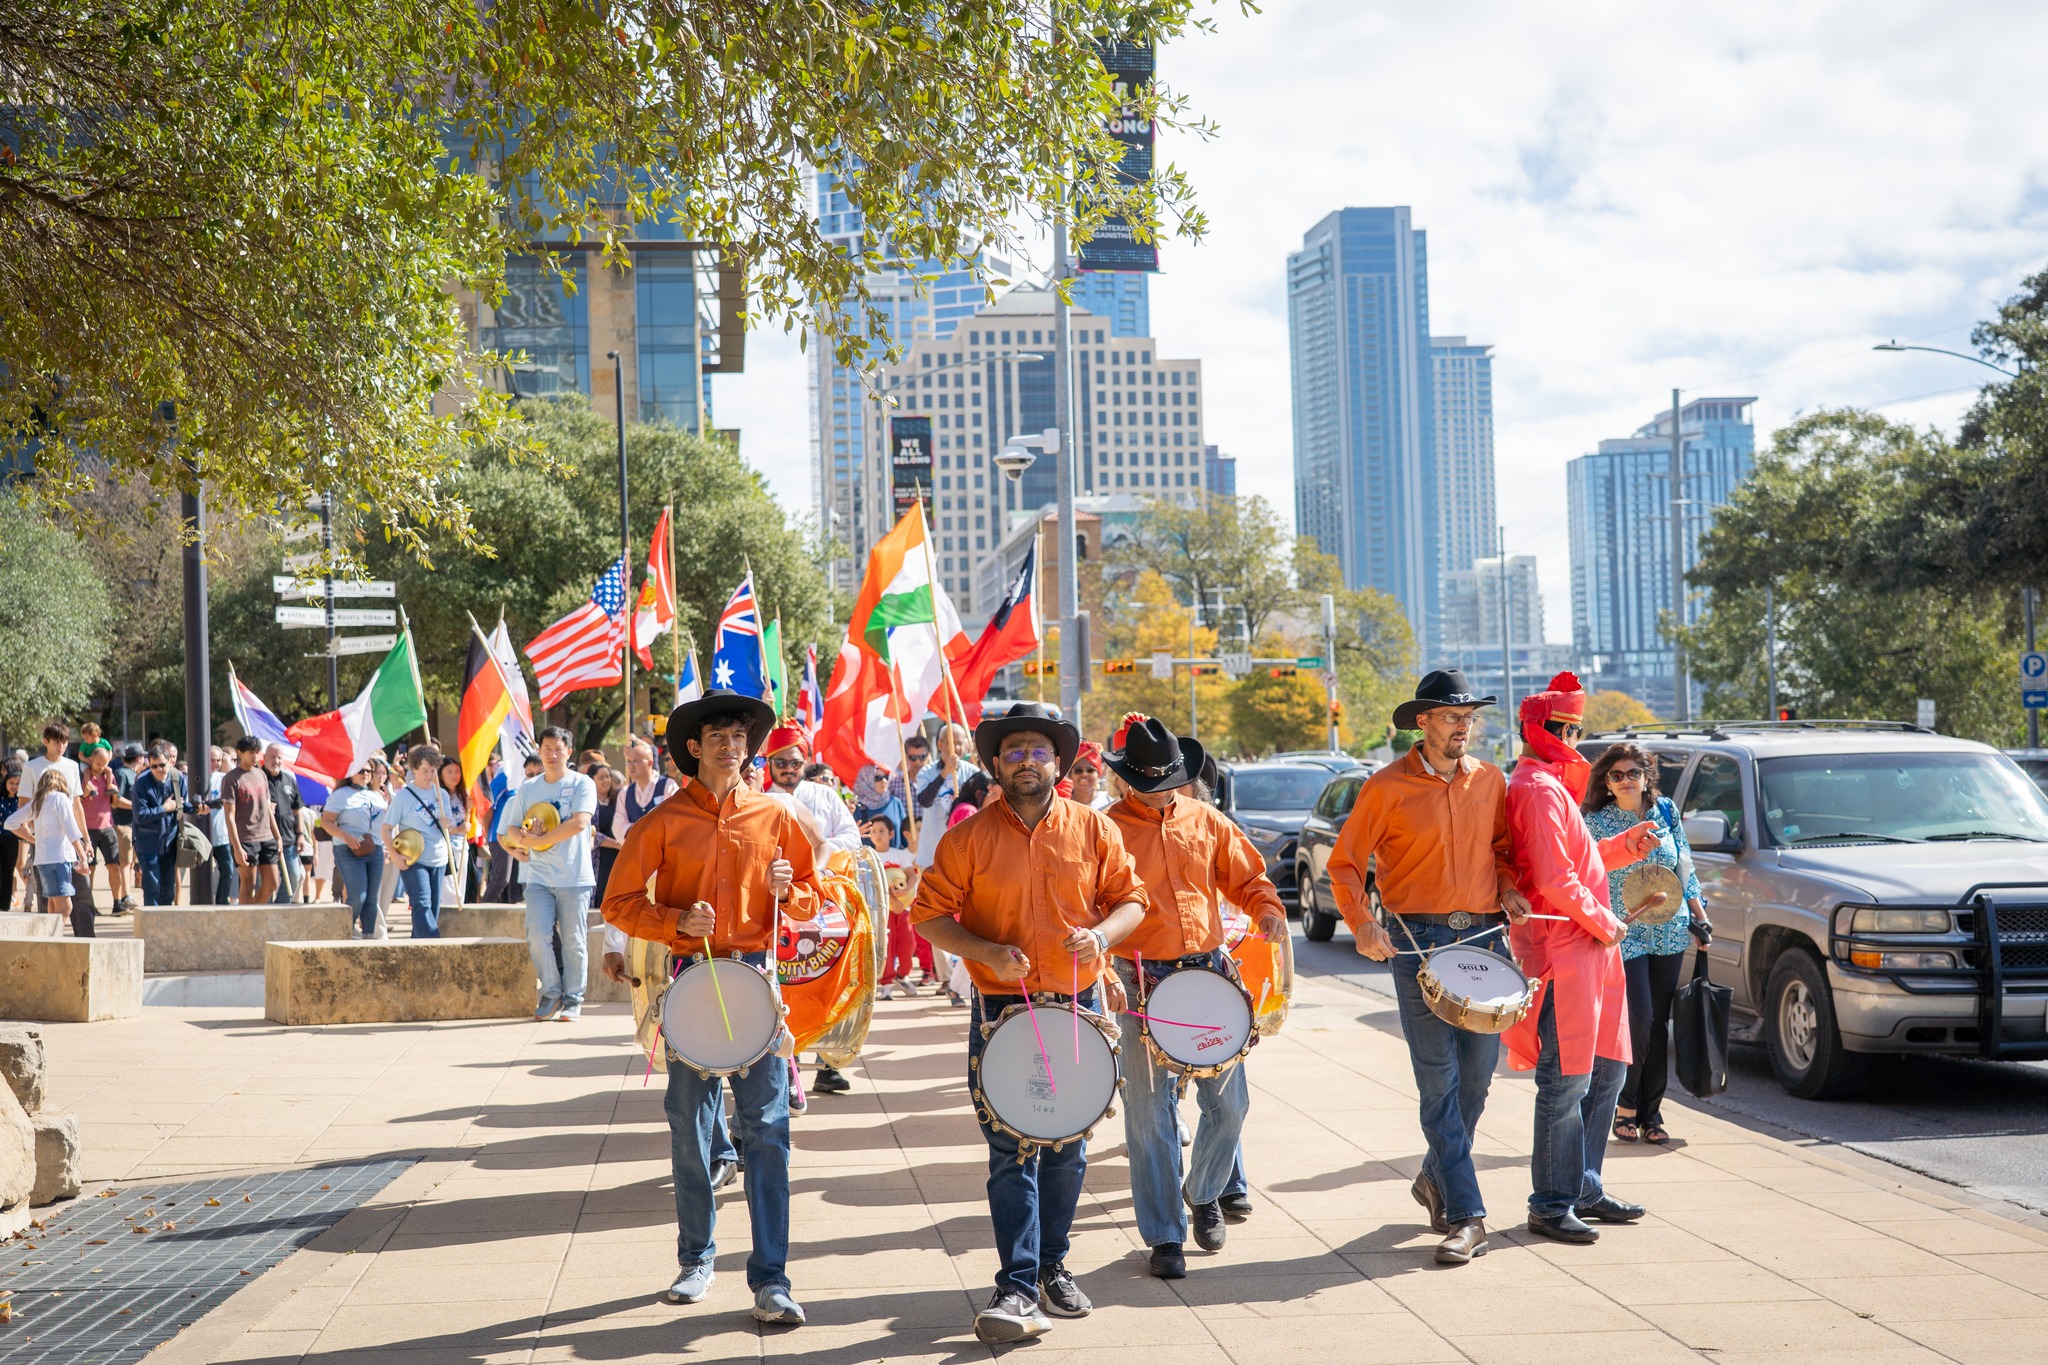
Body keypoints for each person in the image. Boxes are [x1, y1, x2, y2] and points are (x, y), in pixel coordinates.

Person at [910, 701, 1149, 1346]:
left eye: (1038, 750)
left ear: (1059, 762)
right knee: (1010, 1150)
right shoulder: (966, 840)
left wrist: (1101, 938)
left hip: (1078, 1008)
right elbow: (926, 916)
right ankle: (1015, 1283)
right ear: (994, 764)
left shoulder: (1094, 831)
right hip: (1002, 1010)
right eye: (1013, 751)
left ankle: (1053, 1266)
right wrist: (986, 952)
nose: (1025, 761)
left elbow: (1132, 900)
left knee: (1070, 1146)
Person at [601, 690, 824, 1327]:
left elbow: (812, 899)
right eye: (718, 737)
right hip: (692, 982)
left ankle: (772, 1278)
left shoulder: (775, 816)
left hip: (756, 981)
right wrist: (675, 919)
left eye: (741, 736)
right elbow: (617, 903)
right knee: (691, 1129)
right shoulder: (663, 822)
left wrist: (793, 891)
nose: (733, 746)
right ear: (693, 749)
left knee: (770, 1132)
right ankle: (697, 1258)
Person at [1328, 669, 1532, 1267]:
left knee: (1478, 1074)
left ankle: (1433, 1177)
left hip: (1486, 941)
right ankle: (1469, 1215)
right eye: (1451, 717)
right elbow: (1344, 864)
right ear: (1423, 722)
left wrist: (1509, 886)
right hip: (1417, 941)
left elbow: (1501, 850)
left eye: (1469, 717)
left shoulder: (1490, 780)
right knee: (1438, 1079)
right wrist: (1364, 925)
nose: (1463, 727)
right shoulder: (1385, 786)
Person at [1102, 714, 1285, 1280]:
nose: (1160, 794)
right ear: (1127, 780)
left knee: (1231, 1104)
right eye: (1149, 784)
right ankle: (1163, 1237)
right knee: (1149, 1115)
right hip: (1138, 977)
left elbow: (1250, 880)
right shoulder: (1104, 830)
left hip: (1206, 971)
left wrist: (1269, 909)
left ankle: (1204, 1191)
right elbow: (1088, 906)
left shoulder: (1205, 819)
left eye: (1168, 782)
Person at [1502, 672, 1663, 1245]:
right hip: (1566, 951)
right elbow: (1554, 876)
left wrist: (1622, 847)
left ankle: (1583, 1186)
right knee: (1568, 1081)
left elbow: (1572, 861)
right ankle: (1551, 1201)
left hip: (1588, 946)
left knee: (1608, 1071)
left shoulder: (1546, 784)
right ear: (1553, 729)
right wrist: (1605, 920)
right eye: (1571, 728)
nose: (1576, 738)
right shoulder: (1540, 788)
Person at [1580, 743, 1713, 1147]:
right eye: (1616, 775)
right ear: (1606, 781)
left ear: (1646, 777)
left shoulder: (1666, 811)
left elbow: (1683, 864)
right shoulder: (1594, 821)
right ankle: (1625, 1103)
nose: (1624, 781)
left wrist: (1699, 913)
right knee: (1637, 1017)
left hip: (1668, 927)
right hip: (1624, 931)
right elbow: (1586, 873)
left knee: (1659, 1022)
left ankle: (1652, 1111)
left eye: (1632, 773)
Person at [499, 727, 599, 1022]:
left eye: (559, 749)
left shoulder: (583, 783)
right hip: (539, 877)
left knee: (573, 941)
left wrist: (540, 840)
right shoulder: (529, 788)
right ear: (539, 751)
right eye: (547, 749)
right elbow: (512, 830)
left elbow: (580, 823)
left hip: (574, 877)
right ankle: (552, 991)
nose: (552, 754)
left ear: (569, 751)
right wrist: (526, 840)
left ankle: (573, 999)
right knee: (538, 935)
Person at [383, 747, 460, 938]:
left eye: (433, 771)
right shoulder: (403, 796)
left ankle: (417, 947)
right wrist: (395, 854)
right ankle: (434, 946)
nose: (429, 775)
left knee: (432, 907)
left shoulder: (441, 794)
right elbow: (386, 828)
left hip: (439, 858)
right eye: (425, 771)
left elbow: (449, 825)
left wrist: (448, 824)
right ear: (414, 769)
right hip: (414, 859)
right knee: (422, 904)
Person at [7, 768, 90, 933]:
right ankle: (55, 941)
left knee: (53, 907)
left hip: (43, 861)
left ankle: (51, 940)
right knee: (65, 908)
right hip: (59, 859)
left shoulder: (38, 801)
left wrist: (32, 838)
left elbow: (11, 822)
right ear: (61, 783)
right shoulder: (60, 798)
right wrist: (83, 857)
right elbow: (71, 830)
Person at [323, 762, 389, 937]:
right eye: (361, 770)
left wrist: (387, 846)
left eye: (369, 771)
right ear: (351, 773)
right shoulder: (340, 795)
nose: (365, 774)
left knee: (372, 899)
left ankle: (368, 938)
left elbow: (385, 825)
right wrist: (344, 835)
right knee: (358, 896)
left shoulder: (377, 796)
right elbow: (326, 822)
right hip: (348, 849)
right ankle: (344, 931)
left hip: (375, 849)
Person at [218, 736, 283, 905]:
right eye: (250, 753)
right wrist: (237, 847)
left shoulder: (261, 774)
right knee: (248, 885)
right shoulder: (231, 779)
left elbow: (268, 808)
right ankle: (247, 924)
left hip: (266, 836)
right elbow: (229, 816)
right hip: (245, 838)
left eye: (256, 753)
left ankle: (254, 914)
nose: (254, 757)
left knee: (272, 883)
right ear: (240, 753)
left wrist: (277, 837)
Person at [129, 743, 187, 907]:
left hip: (170, 842)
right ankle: (151, 928)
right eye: (154, 766)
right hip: (147, 844)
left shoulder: (177, 779)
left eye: (162, 765)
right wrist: (164, 808)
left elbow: (183, 804)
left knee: (169, 889)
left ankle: (165, 927)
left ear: (170, 761)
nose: (159, 769)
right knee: (152, 888)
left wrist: (198, 808)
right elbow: (140, 816)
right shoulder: (141, 784)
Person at [79, 737, 122, 925]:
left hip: (107, 826)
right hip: (88, 828)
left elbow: (114, 801)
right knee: (90, 868)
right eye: (98, 763)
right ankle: (90, 904)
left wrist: (112, 788)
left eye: (104, 763)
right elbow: (77, 800)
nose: (101, 766)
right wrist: (86, 791)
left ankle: (117, 902)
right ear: (90, 760)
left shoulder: (108, 775)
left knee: (114, 865)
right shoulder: (83, 775)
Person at [111, 744, 144, 914]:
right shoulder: (122, 773)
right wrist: (138, 806)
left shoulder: (134, 774)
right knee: (125, 862)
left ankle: (127, 895)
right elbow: (115, 801)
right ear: (139, 758)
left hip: (133, 824)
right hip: (123, 824)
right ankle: (126, 897)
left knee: (130, 863)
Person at [437, 757, 471, 909]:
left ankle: (458, 918)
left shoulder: (464, 795)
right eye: (449, 772)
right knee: (449, 888)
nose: (454, 775)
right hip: (445, 847)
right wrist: (457, 829)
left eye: (457, 771)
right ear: (441, 774)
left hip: (462, 847)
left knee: (460, 885)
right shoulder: (437, 795)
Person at [0, 765, 22, 910]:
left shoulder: (21, 801)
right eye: (11, 783)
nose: (13, 786)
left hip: (13, 840)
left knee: (8, 872)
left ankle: (5, 904)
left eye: (17, 783)